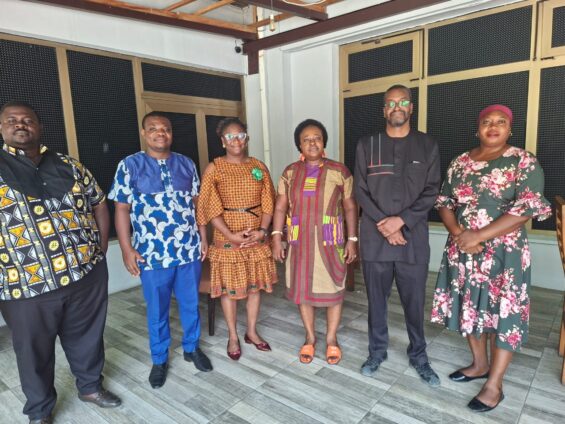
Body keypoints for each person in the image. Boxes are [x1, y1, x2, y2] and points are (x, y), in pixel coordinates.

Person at [0, 101, 121, 424]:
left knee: (88, 338)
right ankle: (40, 410)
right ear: (1, 128)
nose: (20, 124)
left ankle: (90, 387)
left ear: (39, 127)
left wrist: (99, 250)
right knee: (33, 352)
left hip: (86, 275)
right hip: (25, 286)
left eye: (28, 120)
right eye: (12, 120)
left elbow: (99, 203)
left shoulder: (70, 165)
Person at [431, 104, 551, 411]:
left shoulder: (522, 160)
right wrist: (459, 233)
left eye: (501, 122)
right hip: (464, 250)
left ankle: (494, 384)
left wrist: (479, 236)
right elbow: (444, 201)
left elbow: (527, 207)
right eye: (487, 122)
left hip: (504, 254)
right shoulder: (460, 162)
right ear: (478, 128)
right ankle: (479, 364)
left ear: (510, 129)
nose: (493, 126)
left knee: (502, 313)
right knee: (471, 306)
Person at [109, 112, 212, 389]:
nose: (160, 133)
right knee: (157, 309)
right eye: (153, 128)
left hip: (188, 249)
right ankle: (159, 358)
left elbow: (198, 206)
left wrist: (203, 237)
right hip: (152, 254)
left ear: (171, 133)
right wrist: (126, 249)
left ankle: (192, 348)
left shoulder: (186, 164)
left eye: (165, 128)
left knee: (191, 303)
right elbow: (121, 209)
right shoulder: (130, 165)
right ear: (144, 133)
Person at [354, 84, 441, 386]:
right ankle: (376, 352)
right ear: (384, 110)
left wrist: (401, 222)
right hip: (375, 239)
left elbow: (431, 190)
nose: (397, 107)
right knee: (376, 302)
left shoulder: (427, 145)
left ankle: (419, 355)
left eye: (402, 102)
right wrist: (385, 224)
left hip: (412, 240)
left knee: (414, 303)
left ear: (411, 108)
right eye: (391, 103)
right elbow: (360, 190)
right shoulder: (367, 144)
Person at [271, 119, 358, 365]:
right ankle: (310, 336)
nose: (312, 143)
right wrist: (276, 237)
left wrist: (352, 239)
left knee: (334, 290)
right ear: (299, 144)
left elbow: (350, 207)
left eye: (317, 138)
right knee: (303, 292)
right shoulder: (290, 173)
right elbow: (280, 207)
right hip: (299, 243)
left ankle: (331, 339)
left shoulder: (339, 171)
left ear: (324, 142)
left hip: (330, 242)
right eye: (306, 139)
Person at [196, 117, 277, 360]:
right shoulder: (215, 168)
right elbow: (208, 206)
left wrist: (263, 230)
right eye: (230, 137)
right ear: (223, 141)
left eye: (240, 135)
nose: (236, 141)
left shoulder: (258, 166)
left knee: (255, 287)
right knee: (228, 289)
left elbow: (269, 202)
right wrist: (231, 235)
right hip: (227, 237)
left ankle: (251, 331)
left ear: (247, 138)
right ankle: (233, 335)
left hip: (255, 236)